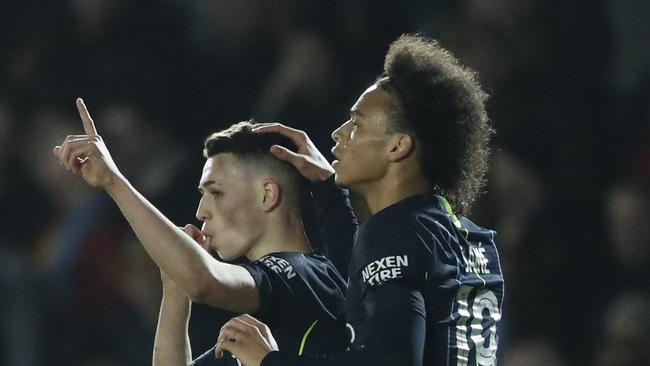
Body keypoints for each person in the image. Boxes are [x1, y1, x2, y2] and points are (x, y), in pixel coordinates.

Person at [215, 34, 505, 366]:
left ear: (398, 146)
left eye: (356, 124)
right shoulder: (467, 239)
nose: (339, 133)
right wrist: (327, 188)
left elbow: (391, 360)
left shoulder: (393, 231)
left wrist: (269, 361)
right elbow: (361, 289)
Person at [52, 106, 357, 365]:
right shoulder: (256, 331)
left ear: (267, 195)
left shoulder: (309, 275)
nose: (201, 211)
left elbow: (204, 280)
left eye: (217, 192)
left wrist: (113, 181)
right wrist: (174, 291)